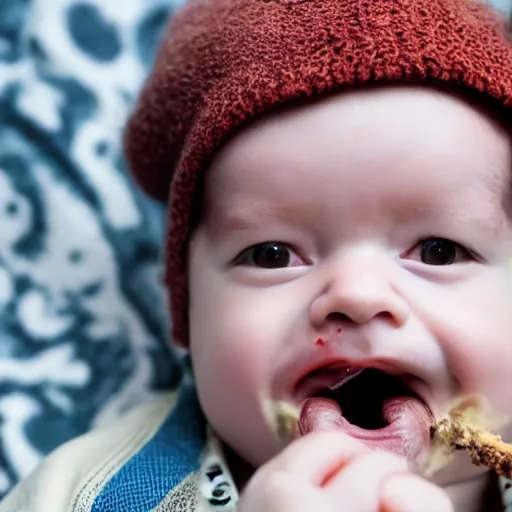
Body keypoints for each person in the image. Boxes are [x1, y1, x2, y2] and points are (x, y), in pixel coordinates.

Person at [2, 0, 512, 510]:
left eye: (438, 251)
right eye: (271, 255)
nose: (357, 295)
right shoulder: (80, 493)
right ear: (188, 309)